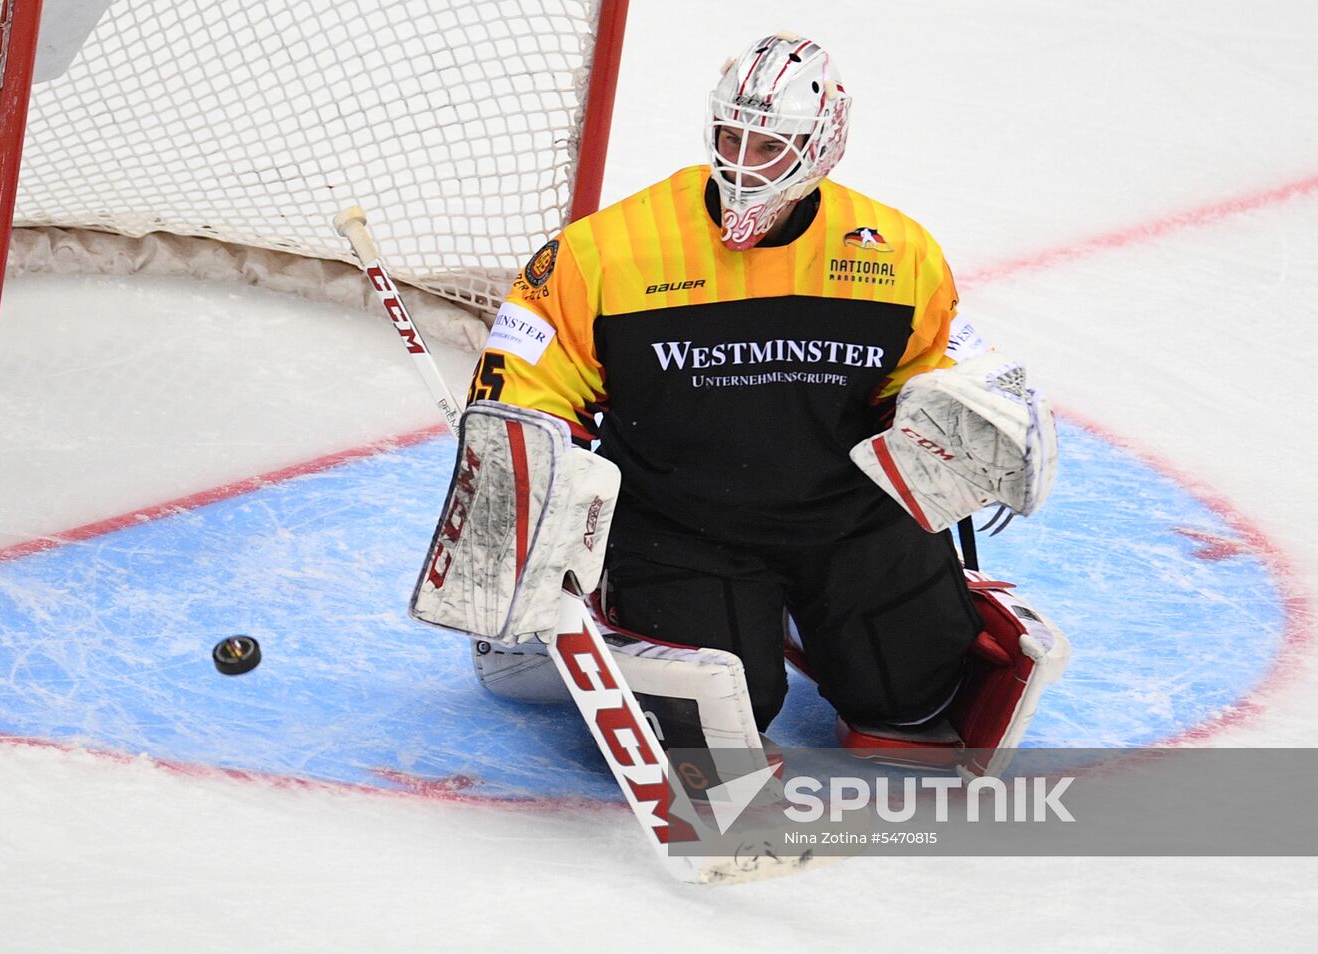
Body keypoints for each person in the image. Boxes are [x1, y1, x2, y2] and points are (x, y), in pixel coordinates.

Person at [428, 33, 1064, 761]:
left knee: (915, 703)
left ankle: (806, 615)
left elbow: (933, 373)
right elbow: (525, 389)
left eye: (769, 146)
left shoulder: (898, 253)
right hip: (681, 525)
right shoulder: (601, 252)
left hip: (848, 520)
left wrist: (976, 421)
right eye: (731, 137)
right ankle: (650, 602)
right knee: (719, 718)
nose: (741, 162)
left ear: (822, 147)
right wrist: (535, 506)